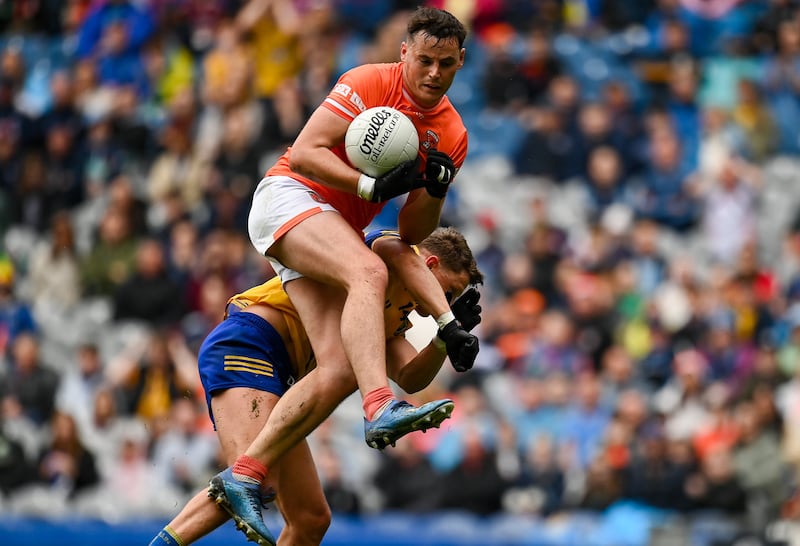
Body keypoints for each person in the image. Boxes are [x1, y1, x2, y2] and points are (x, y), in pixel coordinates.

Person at [149, 226, 483, 546]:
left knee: (310, 519)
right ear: (429, 264)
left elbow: (411, 377)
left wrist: (443, 341)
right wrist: (448, 321)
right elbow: (386, 246)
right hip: (250, 345)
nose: (448, 303)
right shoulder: (385, 255)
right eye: (449, 291)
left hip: (280, 374)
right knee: (255, 480)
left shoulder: (393, 311)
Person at [244, 5, 470, 459]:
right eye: (424, 60)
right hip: (288, 194)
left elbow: (410, 231)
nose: (433, 73)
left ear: (460, 61)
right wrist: (367, 185)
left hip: (331, 225)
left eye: (446, 64)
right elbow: (306, 152)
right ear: (404, 52)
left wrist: (436, 191)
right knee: (369, 272)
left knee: (339, 368)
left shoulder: (453, 133)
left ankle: (248, 470)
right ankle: (379, 406)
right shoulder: (368, 81)